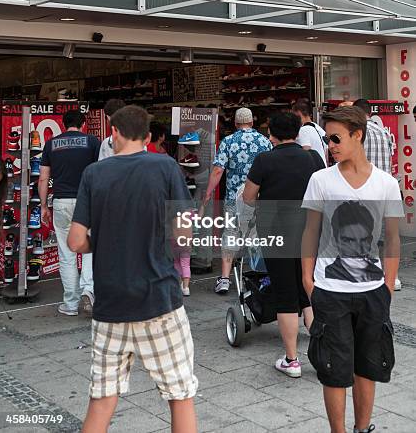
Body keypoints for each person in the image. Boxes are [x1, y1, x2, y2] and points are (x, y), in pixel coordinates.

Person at [67, 105, 197, 433]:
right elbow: (183, 235)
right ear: (149, 137)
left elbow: (75, 241)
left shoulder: (94, 174)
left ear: (114, 133)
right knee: (180, 396)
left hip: (110, 304)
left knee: (102, 398)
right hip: (159, 299)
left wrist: (103, 240)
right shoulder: (166, 167)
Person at [302, 106, 403, 433]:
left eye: (336, 138)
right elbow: (309, 231)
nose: (330, 145)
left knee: (367, 367)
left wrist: (387, 285)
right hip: (329, 291)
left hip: (372, 292)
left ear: (357, 135)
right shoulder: (320, 180)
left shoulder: (386, 184)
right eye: (327, 138)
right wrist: (307, 279)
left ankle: (362, 428)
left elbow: (392, 238)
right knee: (333, 369)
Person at [243, 113, 325, 378]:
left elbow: (248, 197)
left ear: (271, 134)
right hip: (310, 232)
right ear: (298, 132)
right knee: (308, 288)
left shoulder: (265, 160)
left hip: (276, 232)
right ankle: (321, 352)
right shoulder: (312, 158)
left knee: (285, 294)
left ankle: (292, 360)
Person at [203, 107, 272, 294]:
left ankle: (224, 279)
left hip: (234, 197)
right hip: (257, 197)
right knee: (256, 236)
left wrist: (208, 193)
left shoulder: (228, 141)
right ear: (252, 122)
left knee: (231, 233)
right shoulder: (264, 141)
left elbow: (218, 170)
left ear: (235, 123)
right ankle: (259, 277)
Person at [39, 110, 101, 316]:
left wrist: (44, 206)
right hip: (88, 201)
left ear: (64, 124)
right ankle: (89, 292)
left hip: (61, 202)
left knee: (67, 254)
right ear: (83, 124)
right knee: (90, 248)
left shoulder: (51, 144)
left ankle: (71, 303)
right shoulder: (92, 142)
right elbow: (101, 173)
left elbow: (43, 178)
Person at [352, 99, 401, 291]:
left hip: (365, 189)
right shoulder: (384, 132)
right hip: (385, 189)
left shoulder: (358, 133)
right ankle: (392, 277)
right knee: (386, 237)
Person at [292, 99, 327, 165]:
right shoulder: (319, 128)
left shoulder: (303, 130)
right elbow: (326, 154)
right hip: (323, 168)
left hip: (312, 171)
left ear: (298, 113)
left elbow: (306, 152)